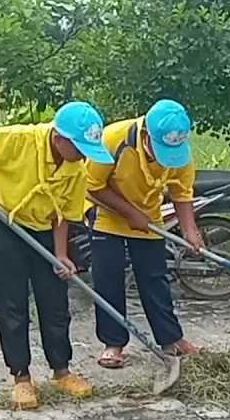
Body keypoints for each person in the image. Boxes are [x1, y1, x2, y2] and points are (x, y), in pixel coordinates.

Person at [0, 101, 112, 409]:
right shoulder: (20, 139)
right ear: (59, 139)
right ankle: (21, 378)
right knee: (12, 304)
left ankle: (62, 371)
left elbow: (64, 213)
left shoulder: (76, 168)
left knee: (55, 302)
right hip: (10, 226)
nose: (84, 155)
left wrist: (60, 254)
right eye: (81, 147)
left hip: (46, 232)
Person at [86, 99, 205, 369]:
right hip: (107, 213)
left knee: (154, 278)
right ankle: (113, 343)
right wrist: (128, 212)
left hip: (149, 217)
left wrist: (189, 230)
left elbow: (181, 192)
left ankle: (171, 339)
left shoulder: (180, 151)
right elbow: (92, 186)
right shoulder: (113, 139)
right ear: (145, 135)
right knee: (108, 278)